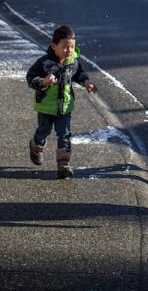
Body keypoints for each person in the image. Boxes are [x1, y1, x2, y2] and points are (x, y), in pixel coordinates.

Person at [26, 25, 98, 179]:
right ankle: (36, 145)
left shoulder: (73, 61)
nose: (69, 50)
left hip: (65, 106)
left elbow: (79, 73)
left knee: (64, 134)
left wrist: (86, 83)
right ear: (54, 46)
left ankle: (63, 165)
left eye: (72, 47)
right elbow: (30, 78)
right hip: (46, 105)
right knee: (44, 131)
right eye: (65, 47)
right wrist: (43, 82)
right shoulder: (44, 63)